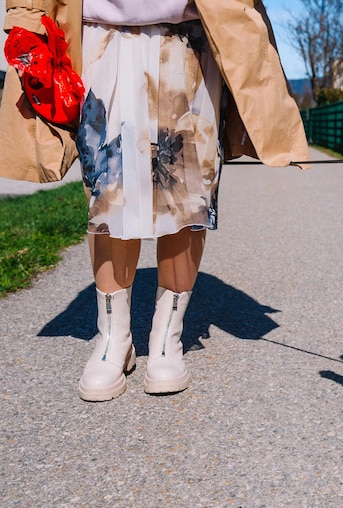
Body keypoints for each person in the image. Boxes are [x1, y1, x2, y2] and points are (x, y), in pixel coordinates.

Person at [2, 0, 310, 401]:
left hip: (191, 32)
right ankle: (114, 337)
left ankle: (168, 337)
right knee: (109, 192)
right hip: (100, 32)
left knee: (188, 194)